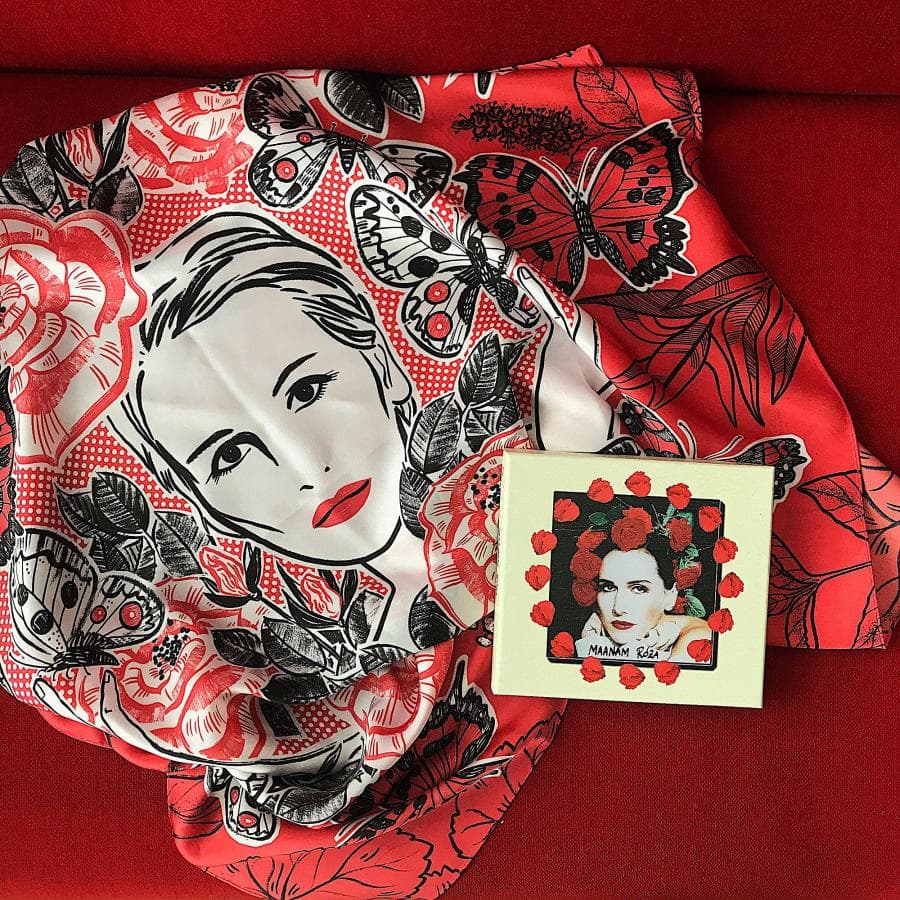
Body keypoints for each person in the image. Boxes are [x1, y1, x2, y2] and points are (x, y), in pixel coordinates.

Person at [574, 530, 712, 663]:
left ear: (670, 596)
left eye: (639, 589)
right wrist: (596, 643)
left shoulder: (699, 638)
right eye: (608, 588)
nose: (618, 608)